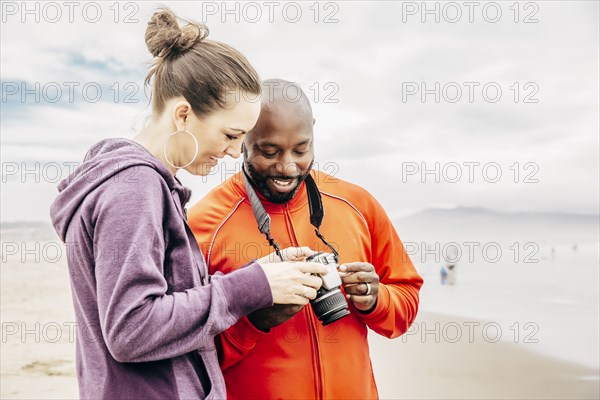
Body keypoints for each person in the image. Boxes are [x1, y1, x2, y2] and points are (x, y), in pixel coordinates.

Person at [49, 13, 327, 399]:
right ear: (183, 114)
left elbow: (165, 299)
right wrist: (250, 288)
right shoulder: (134, 189)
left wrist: (259, 273)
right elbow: (132, 329)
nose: (234, 153)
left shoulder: (141, 183)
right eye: (230, 135)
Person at [189, 79, 424, 399]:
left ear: (313, 133)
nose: (287, 167)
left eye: (301, 149)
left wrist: (374, 299)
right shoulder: (204, 226)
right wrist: (255, 320)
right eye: (269, 152)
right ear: (242, 139)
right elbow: (185, 357)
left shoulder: (358, 204)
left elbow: (406, 302)